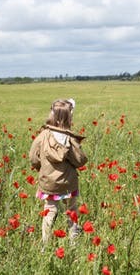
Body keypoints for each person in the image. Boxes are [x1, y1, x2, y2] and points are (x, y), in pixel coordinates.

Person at [29, 98, 88, 244]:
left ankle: (45, 243)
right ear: (69, 117)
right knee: (72, 209)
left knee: (49, 210)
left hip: (48, 182)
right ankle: (73, 240)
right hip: (68, 182)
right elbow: (80, 161)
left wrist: (41, 168)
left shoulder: (42, 136)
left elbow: (33, 158)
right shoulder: (69, 139)